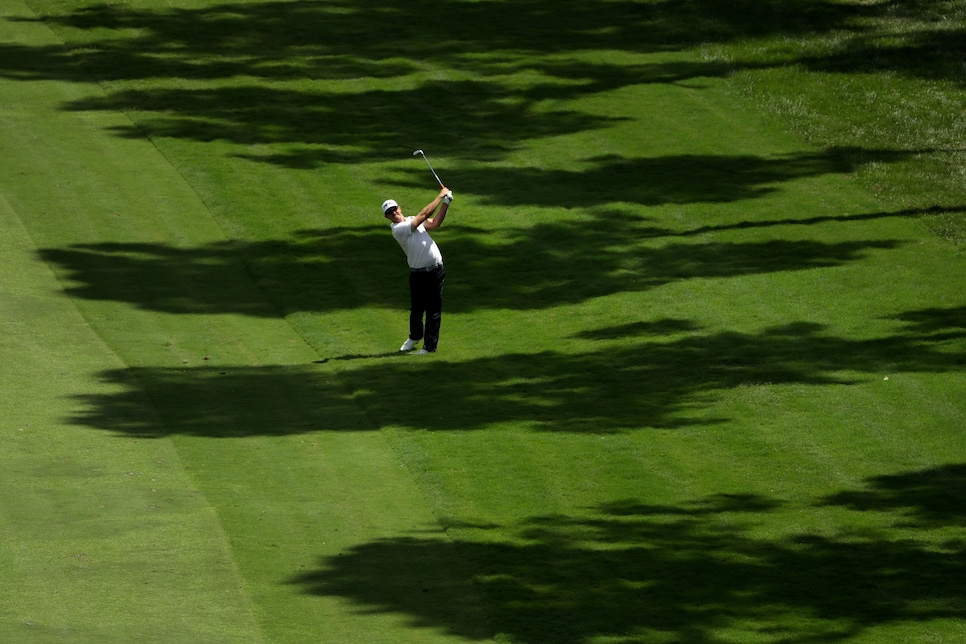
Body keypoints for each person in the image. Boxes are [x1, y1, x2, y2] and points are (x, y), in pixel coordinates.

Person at [382, 186, 454, 354]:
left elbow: (435, 223)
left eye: (394, 209)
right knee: (416, 310)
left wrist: (446, 202)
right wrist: (440, 195)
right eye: (390, 213)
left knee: (433, 310)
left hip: (436, 271)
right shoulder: (398, 230)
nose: (394, 213)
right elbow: (424, 215)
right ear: (387, 217)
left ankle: (429, 347)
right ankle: (415, 337)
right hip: (418, 273)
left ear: (400, 208)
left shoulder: (412, 220)